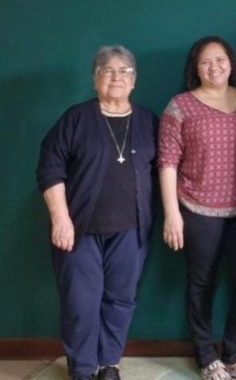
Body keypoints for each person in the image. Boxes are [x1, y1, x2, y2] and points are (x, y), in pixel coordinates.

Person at [36, 46, 157, 380]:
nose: (116, 76)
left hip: (131, 230)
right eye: (107, 70)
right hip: (79, 229)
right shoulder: (75, 118)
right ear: (95, 79)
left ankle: (108, 364)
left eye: (124, 71)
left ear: (134, 80)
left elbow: (166, 170)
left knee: (120, 300)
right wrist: (60, 219)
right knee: (80, 303)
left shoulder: (148, 121)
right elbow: (50, 169)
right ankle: (83, 368)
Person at [158, 36, 236, 380]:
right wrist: (172, 213)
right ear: (195, 68)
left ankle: (234, 350)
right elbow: (167, 162)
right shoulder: (181, 106)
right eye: (205, 61)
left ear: (231, 63)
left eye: (220, 59)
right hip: (196, 208)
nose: (214, 67)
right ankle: (206, 355)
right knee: (201, 284)